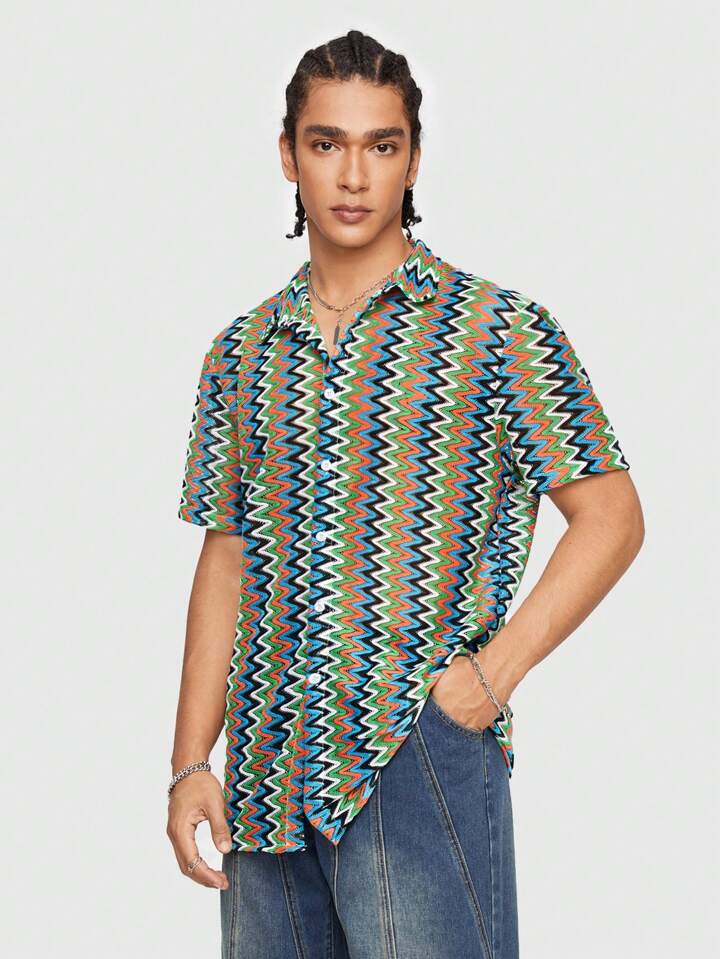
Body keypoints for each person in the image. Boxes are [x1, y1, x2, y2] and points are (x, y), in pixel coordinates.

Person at [166, 29, 644, 959]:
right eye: (327, 143)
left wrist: (487, 681)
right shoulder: (242, 352)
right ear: (288, 154)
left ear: (413, 159)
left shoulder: (495, 330)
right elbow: (226, 555)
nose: (353, 175)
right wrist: (190, 759)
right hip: (264, 774)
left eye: (381, 145)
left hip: (413, 747)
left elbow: (613, 516)